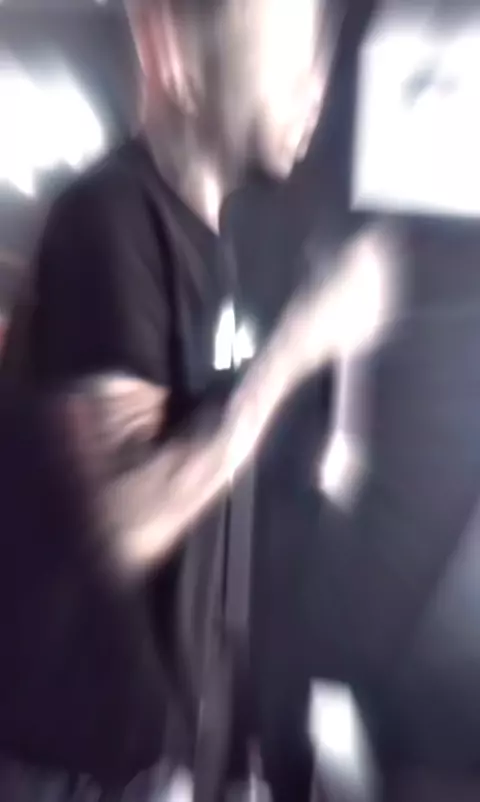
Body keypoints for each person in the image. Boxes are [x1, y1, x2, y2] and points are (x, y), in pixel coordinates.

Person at [0, 0, 387, 799]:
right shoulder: (108, 223)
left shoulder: (221, 241)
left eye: (321, 59)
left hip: (149, 757)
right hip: (64, 767)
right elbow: (130, 519)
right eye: (290, 56)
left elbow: (215, 508)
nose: (315, 88)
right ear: (171, 51)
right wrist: (296, 351)